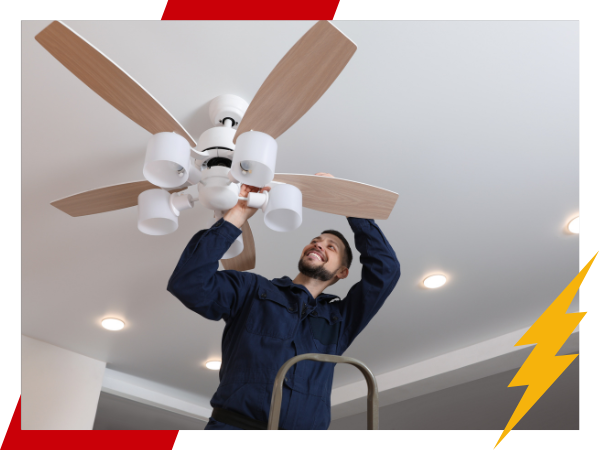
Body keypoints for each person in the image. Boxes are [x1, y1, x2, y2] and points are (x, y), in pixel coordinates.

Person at [167, 173, 401, 431]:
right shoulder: (253, 290)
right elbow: (188, 283)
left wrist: (346, 204)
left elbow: (385, 271)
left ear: (342, 272)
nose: (318, 244)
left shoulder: (340, 320)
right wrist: (238, 214)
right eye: (315, 241)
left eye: (331, 246)